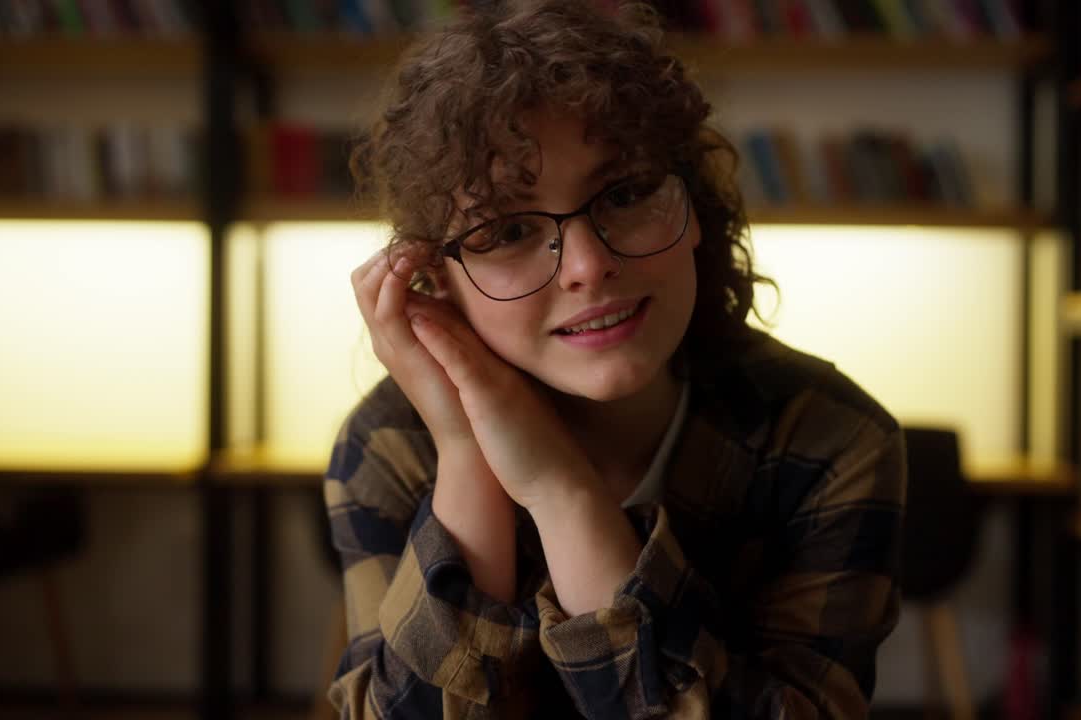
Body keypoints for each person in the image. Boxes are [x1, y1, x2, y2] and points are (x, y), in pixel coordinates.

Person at [326, 1, 906, 717]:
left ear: (694, 208)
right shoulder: (387, 445)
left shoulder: (828, 438)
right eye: (507, 231)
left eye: (626, 194)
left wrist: (562, 492)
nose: (588, 266)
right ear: (435, 282)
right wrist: (465, 450)